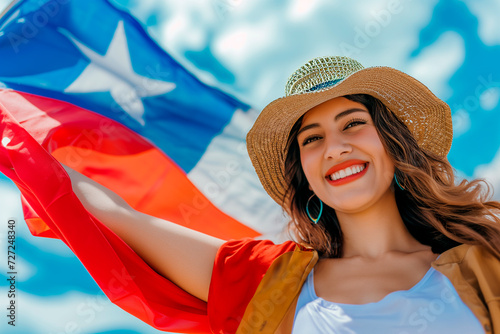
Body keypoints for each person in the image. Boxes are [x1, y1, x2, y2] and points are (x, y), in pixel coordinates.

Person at [7, 56, 500, 333]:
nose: (335, 148)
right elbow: (121, 217)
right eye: (312, 139)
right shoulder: (267, 280)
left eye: (354, 124)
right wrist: (11, 128)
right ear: (305, 173)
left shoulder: (486, 264)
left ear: (392, 146)